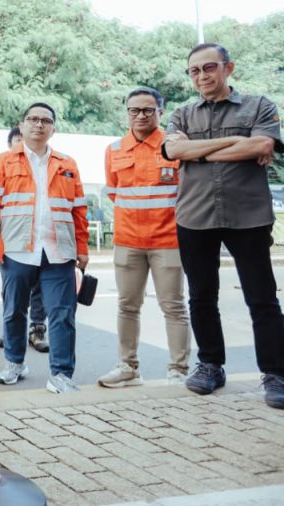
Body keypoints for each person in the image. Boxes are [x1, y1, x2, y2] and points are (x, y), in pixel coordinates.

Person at [163, 43, 284, 408]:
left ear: (228, 68)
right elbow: (173, 152)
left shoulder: (259, 106)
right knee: (201, 297)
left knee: (262, 299)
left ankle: (276, 373)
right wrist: (237, 142)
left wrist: (200, 150)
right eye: (194, 71)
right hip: (194, 217)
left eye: (209, 67)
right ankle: (211, 365)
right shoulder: (182, 114)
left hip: (248, 216)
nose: (202, 76)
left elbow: (263, 143)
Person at [0, 103, 89, 394]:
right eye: (32, 119)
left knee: (62, 314)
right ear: (21, 126)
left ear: (53, 129)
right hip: (17, 249)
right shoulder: (2, 162)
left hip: (59, 251)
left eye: (46, 120)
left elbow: (79, 210)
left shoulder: (67, 163)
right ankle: (14, 364)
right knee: (13, 311)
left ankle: (61, 374)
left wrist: (82, 247)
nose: (39, 124)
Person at [98, 87, 190, 388]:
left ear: (160, 112)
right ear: (126, 112)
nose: (141, 115)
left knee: (173, 306)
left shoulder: (174, 146)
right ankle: (127, 367)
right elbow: (114, 193)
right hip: (128, 241)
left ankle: (178, 369)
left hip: (169, 241)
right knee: (127, 306)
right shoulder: (114, 149)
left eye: (148, 110)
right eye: (134, 110)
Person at [0, 126, 48, 352]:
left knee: (40, 293)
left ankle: (37, 331)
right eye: (17, 141)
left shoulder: (47, 166)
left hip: (42, 244)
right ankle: (12, 340)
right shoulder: (2, 165)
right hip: (14, 245)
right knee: (13, 299)